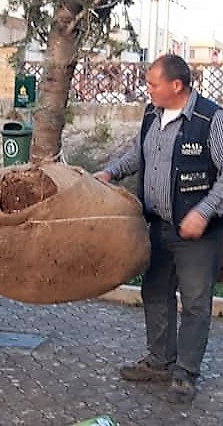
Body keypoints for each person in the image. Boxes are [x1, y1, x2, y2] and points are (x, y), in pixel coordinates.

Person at [97, 53, 223, 404]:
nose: (147, 89)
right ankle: (159, 361)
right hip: (158, 226)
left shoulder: (210, 119)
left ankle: (185, 372)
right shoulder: (152, 114)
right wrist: (109, 173)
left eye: (153, 83)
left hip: (199, 232)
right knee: (154, 293)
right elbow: (139, 154)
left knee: (196, 303)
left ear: (176, 85)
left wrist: (204, 211)